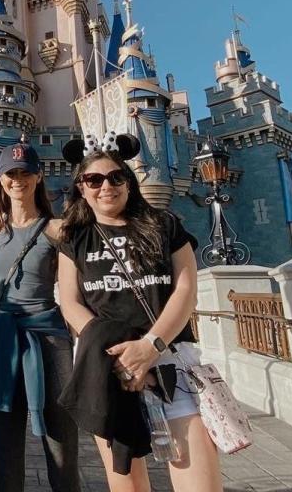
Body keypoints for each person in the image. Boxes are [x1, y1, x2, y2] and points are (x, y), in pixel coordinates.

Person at [57, 133, 221, 492]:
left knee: (201, 483)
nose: (106, 186)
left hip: (169, 363)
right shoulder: (74, 237)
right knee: (127, 486)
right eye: (94, 179)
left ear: (129, 183)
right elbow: (70, 302)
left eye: (116, 177)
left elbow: (185, 289)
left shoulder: (164, 225)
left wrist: (150, 346)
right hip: (106, 368)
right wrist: (118, 356)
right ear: (81, 188)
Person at [0, 141, 80, 492]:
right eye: (11, 173)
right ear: (0, 179)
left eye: (25, 173)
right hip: (4, 340)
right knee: (5, 442)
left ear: (39, 177)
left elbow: (78, 286)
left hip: (50, 340)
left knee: (61, 442)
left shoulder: (56, 229)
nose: (18, 180)